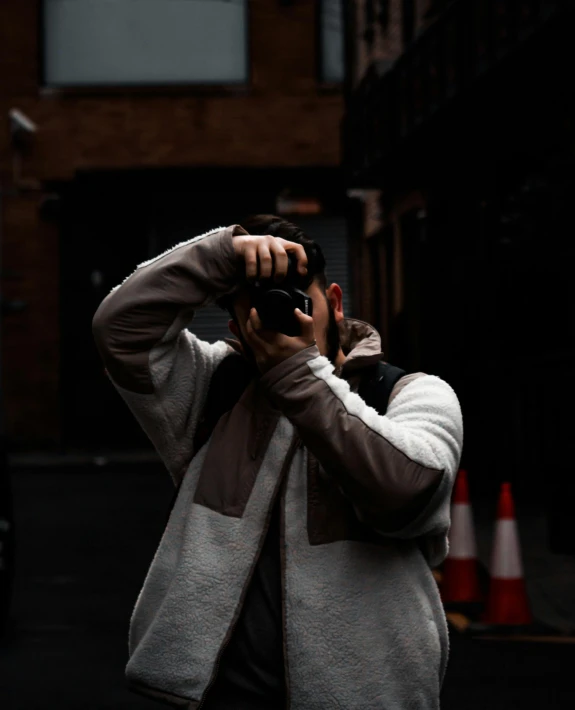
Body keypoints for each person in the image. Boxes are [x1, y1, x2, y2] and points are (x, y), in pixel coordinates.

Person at [92, 215, 464, 710]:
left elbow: (407, 493)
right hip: (215, 697)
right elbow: (119, 328)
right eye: (263, 306)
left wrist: (299, 375)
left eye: (297, 298)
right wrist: (222, 254)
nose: (284, 313)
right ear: (237, 327)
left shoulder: (410, 393)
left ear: (333, 302)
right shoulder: (213, 386)